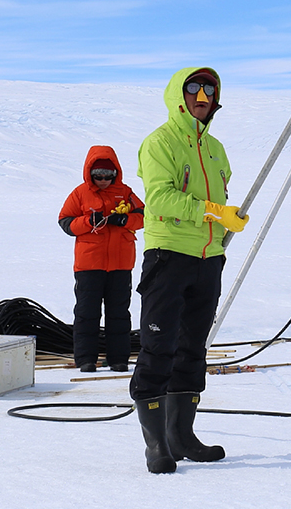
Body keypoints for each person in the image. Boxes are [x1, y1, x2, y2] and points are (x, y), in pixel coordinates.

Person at [130, 66, 249, 475]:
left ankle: (182, 436)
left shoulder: (216, 148)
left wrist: (225, 218)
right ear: (179, 96)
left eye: (210, 89)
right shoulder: (159, 142)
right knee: (158, 347)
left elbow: (221, 191)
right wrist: (212, 212)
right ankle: (156, 444)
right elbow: (159, 199)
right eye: (195, 88)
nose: (203, 95)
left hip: (208, 259)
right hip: (168, 257)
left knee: (193, 349)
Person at [57, 146, 145, 373]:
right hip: (89, 265)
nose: (104, 180)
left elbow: (144, 217)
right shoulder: (80, 194)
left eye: (109, 175)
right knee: (87, 314)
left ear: (116, 172)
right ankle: (85, 359)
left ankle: (119, 359)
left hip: (120, 264)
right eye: (98, 175)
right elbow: (66, 222)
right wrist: (88, 221)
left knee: (119, 314)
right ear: (90, 173)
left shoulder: (126, 193)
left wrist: (124, 221)